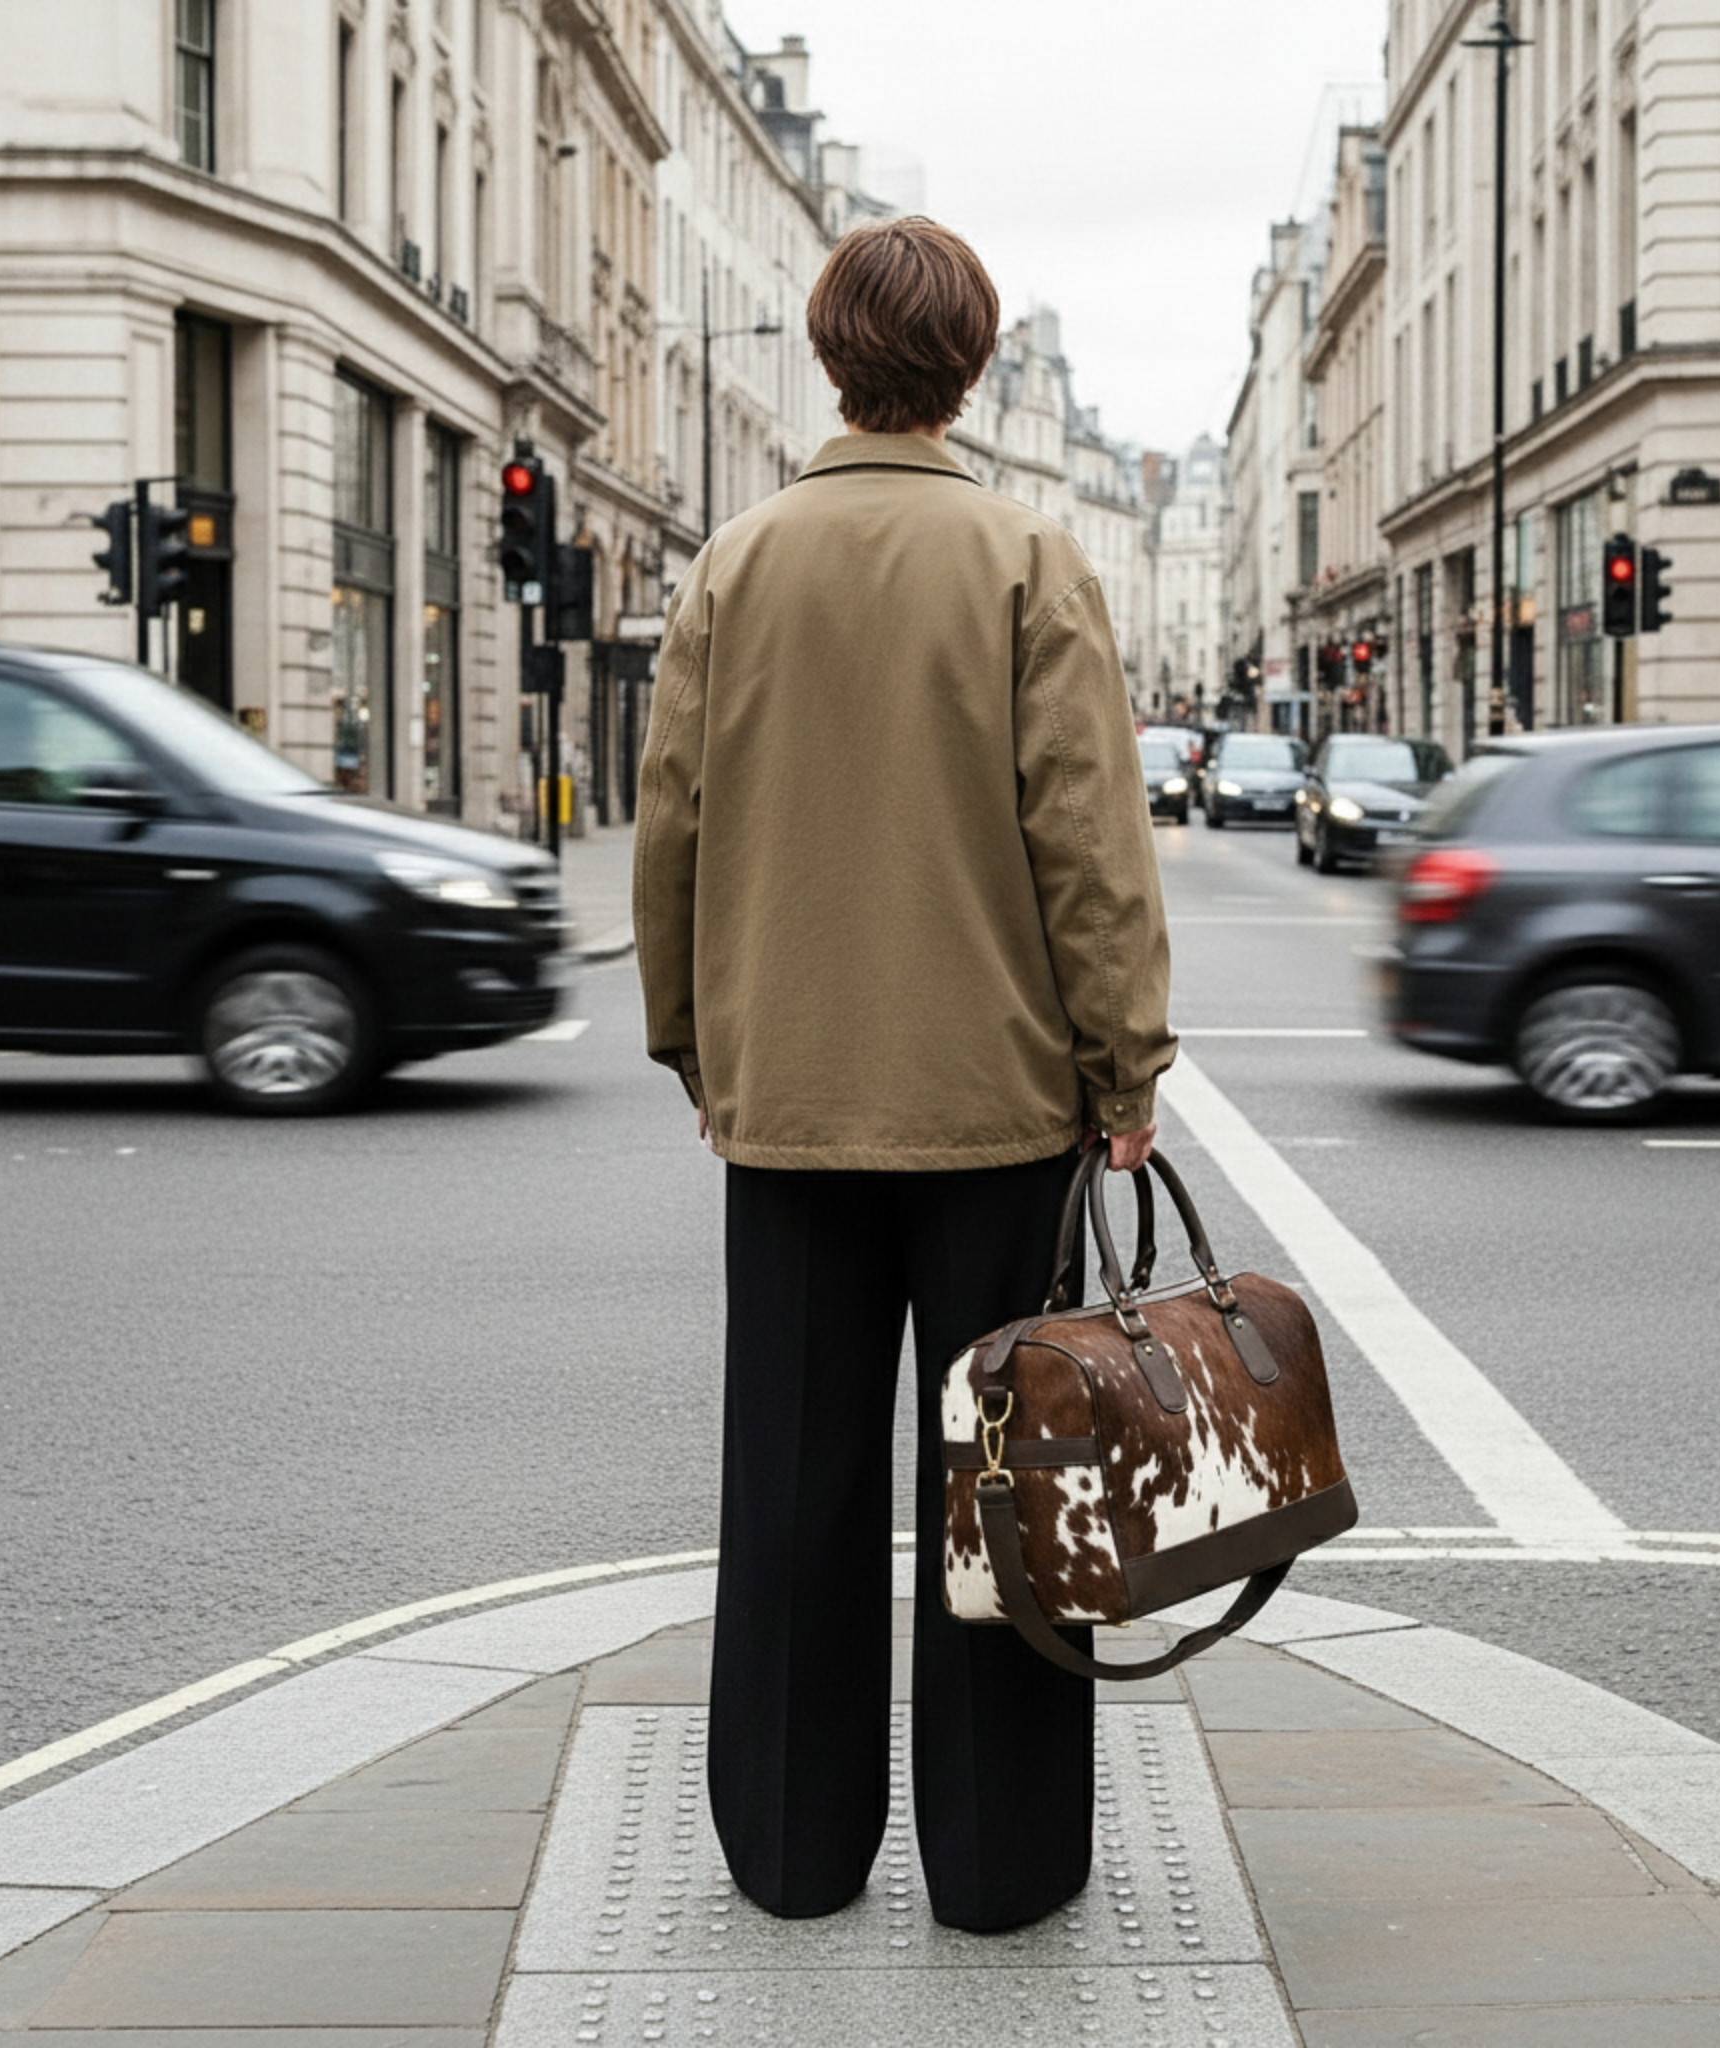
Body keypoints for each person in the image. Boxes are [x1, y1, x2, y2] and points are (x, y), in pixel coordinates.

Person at [633, 216, 1175, 1935]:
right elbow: (1087, 844)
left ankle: (792, 1852)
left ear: (825, 352)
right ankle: (1001, 1867)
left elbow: (674, 832)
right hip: (1001, 1109)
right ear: (972, 366)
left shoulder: (737, 561)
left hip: (786, 1104)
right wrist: (1125, 1062)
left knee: (789, 1485)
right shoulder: (1028, 558)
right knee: (1010, 1501)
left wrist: (699, 1048)